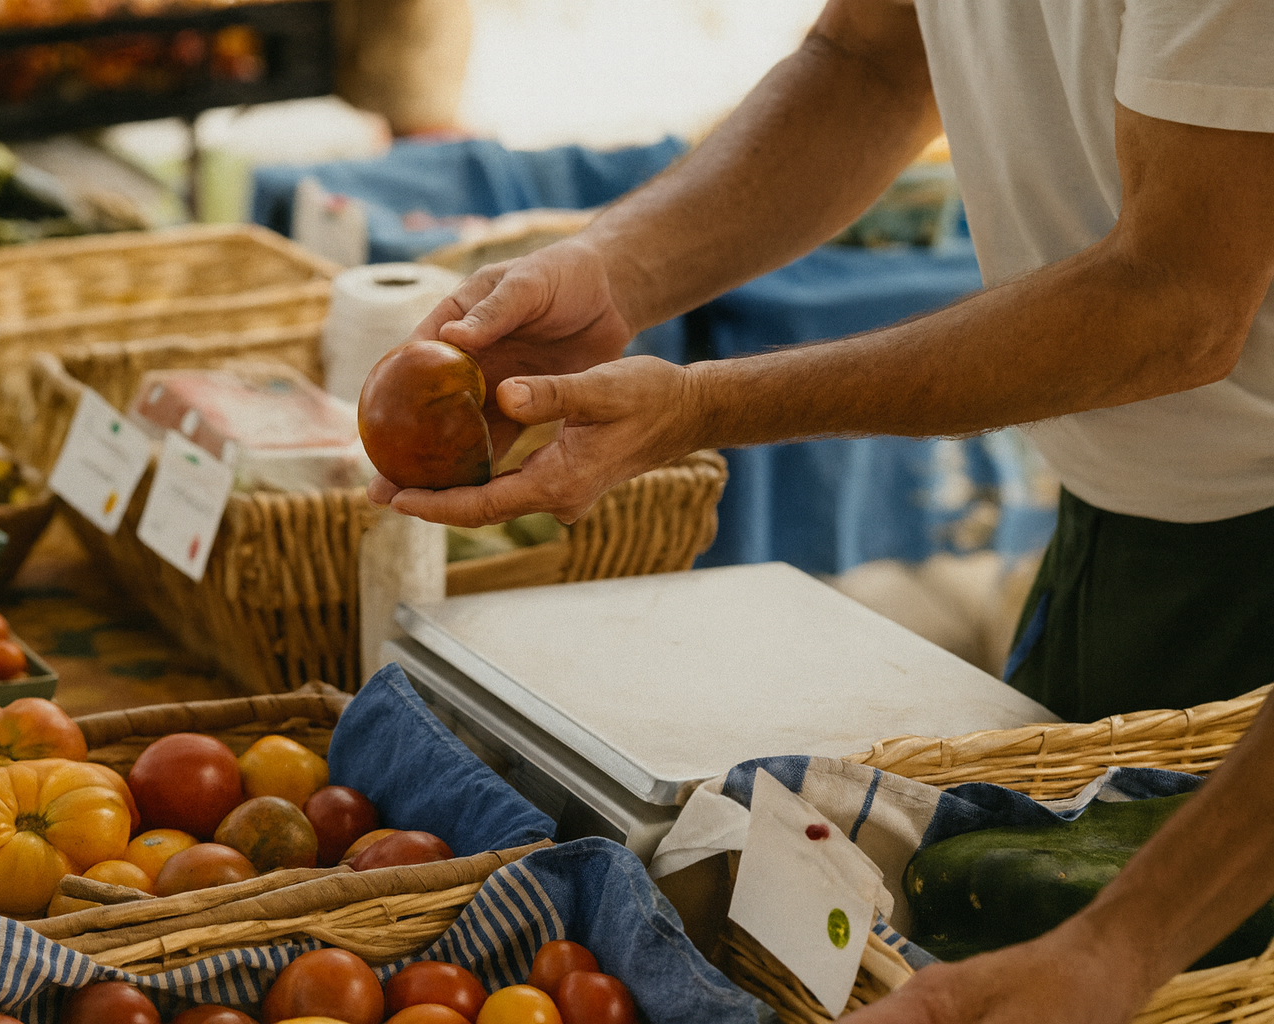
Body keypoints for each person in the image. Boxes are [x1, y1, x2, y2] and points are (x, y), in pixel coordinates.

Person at [365, 0, 1274, 1018]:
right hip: (1110, 524)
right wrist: (616, 270)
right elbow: (869, 62)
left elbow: (1182, 301)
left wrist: (704, 403)